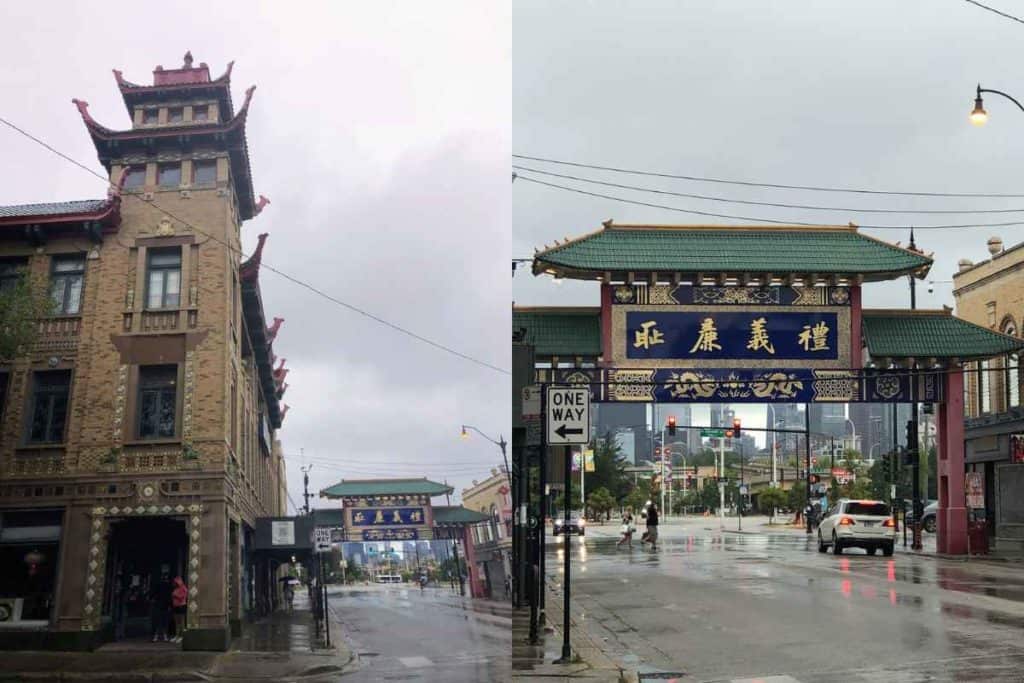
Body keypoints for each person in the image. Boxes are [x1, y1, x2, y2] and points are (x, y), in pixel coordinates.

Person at [148, 574, 172, 642]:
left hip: (158, 605)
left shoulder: (158, 585)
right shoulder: (168, 586)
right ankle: (164, 636)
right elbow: (169, 597)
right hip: (165, 606)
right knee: (164, 622)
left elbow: (153, 594)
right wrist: (170, 605)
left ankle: (156, 636)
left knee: (158, 621)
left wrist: (152, 599)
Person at [170, 577, 188, 643]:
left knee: (182, 622)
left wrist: (175, 595)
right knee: (176, 622)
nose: (174, 584)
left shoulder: (183, 588)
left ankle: (182, 636)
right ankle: (177, 636)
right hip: (175, 606)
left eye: (175, 582)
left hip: (181, 606)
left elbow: (183, 597)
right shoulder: (175, 589)